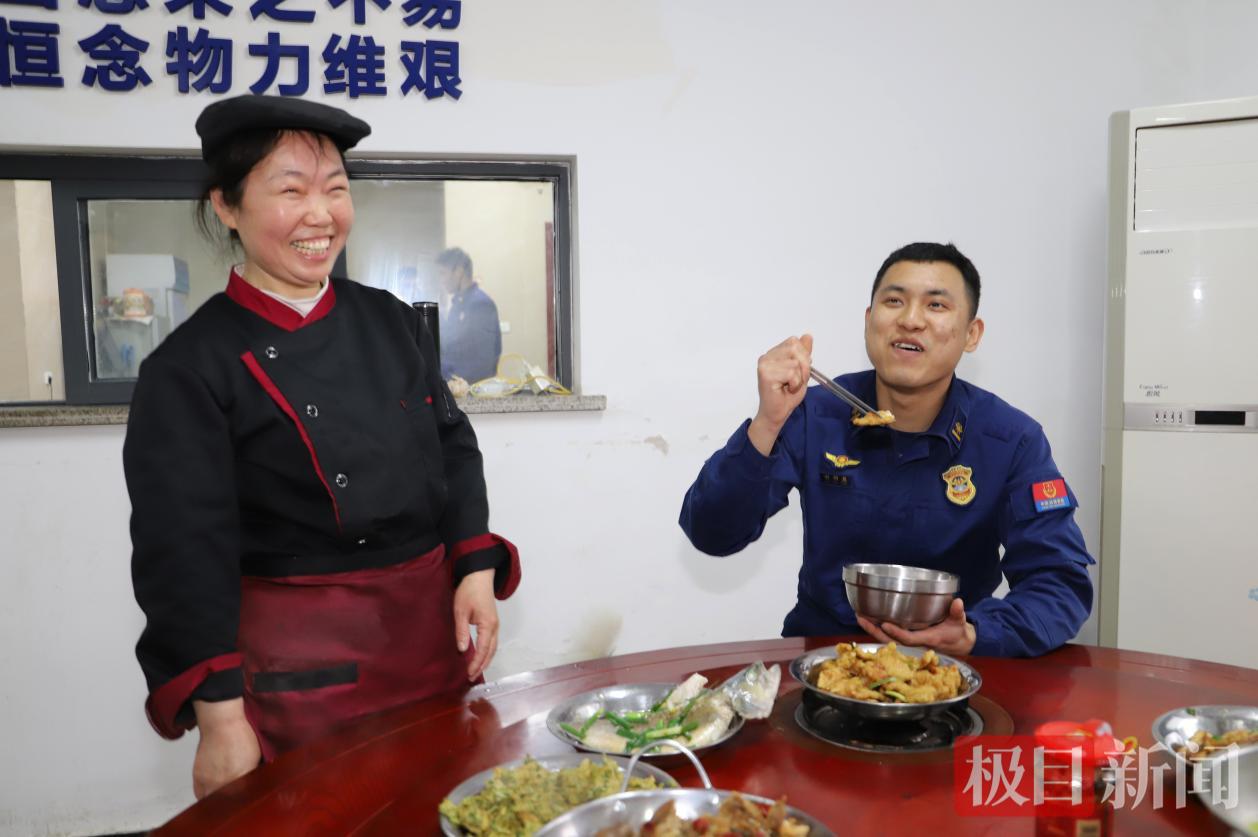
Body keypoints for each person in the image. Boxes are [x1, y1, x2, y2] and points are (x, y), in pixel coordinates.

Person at [124, 94, 520, 799]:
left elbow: (453, 447)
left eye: (335, 189)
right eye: (291, 191)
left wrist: (474, 572)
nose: (321, 214)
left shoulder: (390, 321)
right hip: (302, 676)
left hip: (431, 644)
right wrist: (221, 719)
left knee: (451, 807)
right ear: (226, 206)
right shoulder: (191, 366)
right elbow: (183, 551)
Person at [679, 242, 1093, 658]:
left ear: (972, 334)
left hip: (948, 668)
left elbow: (1059, 583)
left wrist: (974, 633)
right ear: (868, 321)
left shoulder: (1010, 439)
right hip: (825, 658)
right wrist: (767, 422)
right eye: (894, 301)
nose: (910, 320)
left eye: (936, 305)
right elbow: (712, 533)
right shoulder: (814, 414)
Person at [435, 246, 502, 382]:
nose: (441, 280)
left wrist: (451, 383)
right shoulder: (457, 304)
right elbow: (453, 350)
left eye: (443, 273)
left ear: (459, 272)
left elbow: (483, 363)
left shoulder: (480, 304)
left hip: (469, 389)